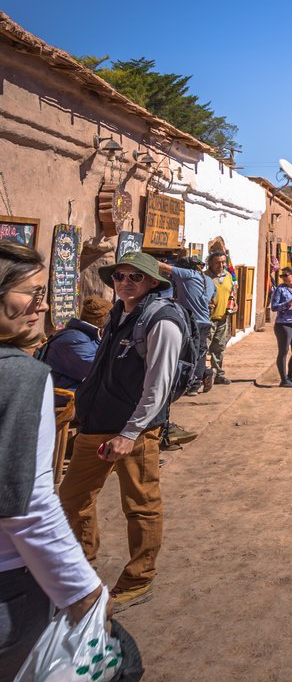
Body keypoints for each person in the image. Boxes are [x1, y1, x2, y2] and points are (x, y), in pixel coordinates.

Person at [0, 241, 107, 675]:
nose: (42, 308)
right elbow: (29, 505)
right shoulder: (20, 376)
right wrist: (83, 591)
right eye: (32, 294)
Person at [60, 250, 186, 612]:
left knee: (141, 506)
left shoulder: (162, 321)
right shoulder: (120, 314)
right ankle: (82, 563)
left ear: (151, 282)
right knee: (73, 498)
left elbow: (157, 385)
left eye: (135, 277)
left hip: (133, 432)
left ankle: (138, 579)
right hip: (96, 426)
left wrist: (130, 433)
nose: (125, 282)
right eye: (119, 276)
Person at [158, 254, 214, 397]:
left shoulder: (187, 274)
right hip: (205, 321)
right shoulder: (209, 280)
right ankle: (205, 373)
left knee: (192, 353)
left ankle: (194, 384)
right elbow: (209, 300)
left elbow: (163, 267)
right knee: (199, 353)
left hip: (193, 322)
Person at [37, 294, 111, 392]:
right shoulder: (75, 340)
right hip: (63, 397)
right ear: (104, 321)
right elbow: (100, 371)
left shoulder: (84, 336)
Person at [269, 267, 292, 388]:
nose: (283, 278)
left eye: (286, 275)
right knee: (284, 350)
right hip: (283, 323)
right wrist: (288, 303)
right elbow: (274, 307)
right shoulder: (280, 289)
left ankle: (291, 376)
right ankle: (283, 379)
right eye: (282, 276)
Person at [205, 248, 235, 387]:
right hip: (207, 319)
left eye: (223, 262)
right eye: (218, 263)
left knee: (219, 348)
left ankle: (218, 374)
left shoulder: (228, 276)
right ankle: (201, 376)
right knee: (204, 349)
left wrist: (234, 304)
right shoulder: (204, 277)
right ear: (210, 263)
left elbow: (231, 293)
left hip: (223, 318)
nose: (221, 265)